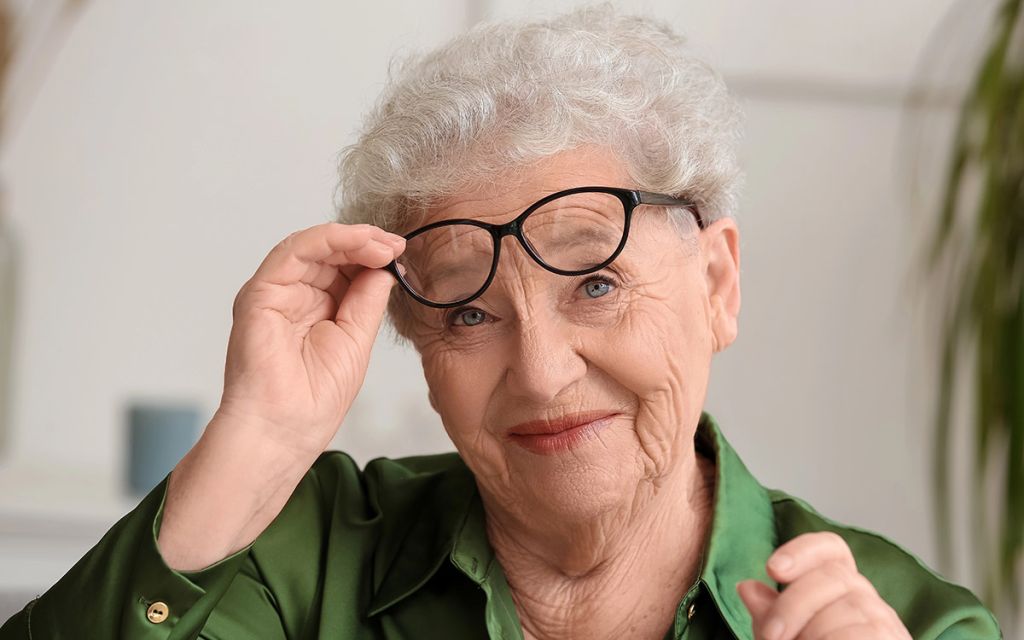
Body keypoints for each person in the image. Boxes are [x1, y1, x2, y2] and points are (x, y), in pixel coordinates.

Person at [0, 6, 1003, 640]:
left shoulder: (906, 624)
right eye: (470, 308)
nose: (539, 372)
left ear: (716, 283)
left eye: (595, 283)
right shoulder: (296, 559)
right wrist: (257, 438)